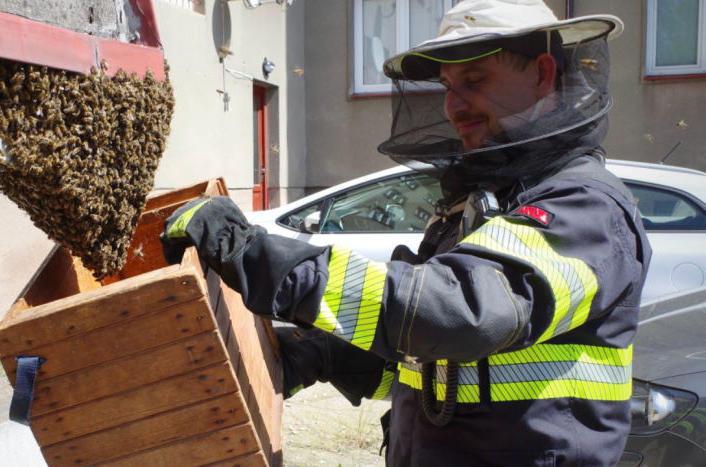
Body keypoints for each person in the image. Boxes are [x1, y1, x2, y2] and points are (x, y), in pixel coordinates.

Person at [160, 1, 651, 465]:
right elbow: (432, 365)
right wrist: (322, 355)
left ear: (543, 75)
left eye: (475, 80)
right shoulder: (479, 203)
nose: (454, 106)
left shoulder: (587, 208)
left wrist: (253, 255)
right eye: (447, 86)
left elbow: (461, 315)